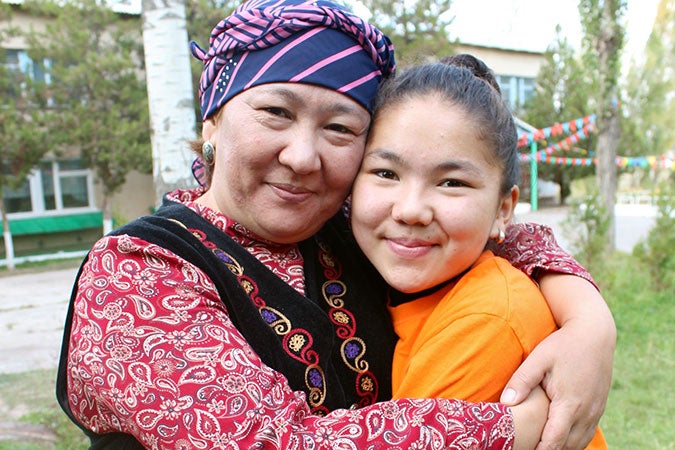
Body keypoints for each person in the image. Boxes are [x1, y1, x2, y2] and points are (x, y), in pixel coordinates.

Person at [55, 1, 615, 449]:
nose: (303, 156)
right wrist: (511, 428)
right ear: (214, 119)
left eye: (341, 129)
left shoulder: (344, 229)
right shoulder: (136, 271)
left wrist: (589, 321)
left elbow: (488, 229)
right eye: (276, 112)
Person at [349, 56, 608, 449]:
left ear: (503, 209)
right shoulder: (393, 280)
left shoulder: (487, 319)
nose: (411, 210)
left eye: (452, 182)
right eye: (386, 173)